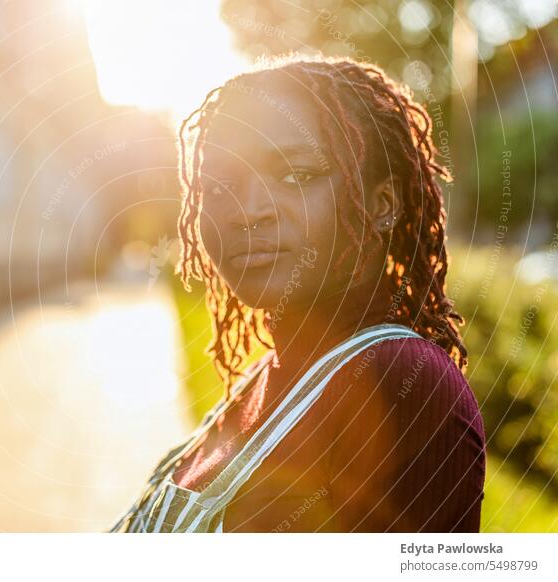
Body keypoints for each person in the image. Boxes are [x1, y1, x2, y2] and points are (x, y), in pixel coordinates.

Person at [110, 55, 486, 533]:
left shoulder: (404, 383)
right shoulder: (263, 378)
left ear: (382, 205)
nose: (247, 211)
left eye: (296, 175)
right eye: (219, 184)